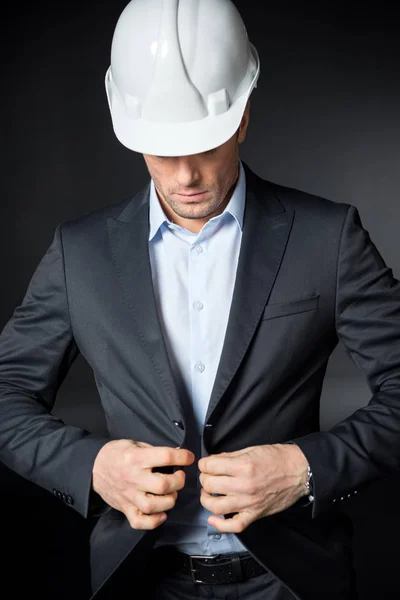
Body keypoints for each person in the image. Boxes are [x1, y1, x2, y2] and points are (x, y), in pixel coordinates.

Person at [0, 0, 399, 598]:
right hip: (139, 580)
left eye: (206, 145)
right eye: (162, 150)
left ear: (241, 118)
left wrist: (306, 469)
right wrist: (91, 467)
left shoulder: (328, 238)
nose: (186, 175)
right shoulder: (78, 252)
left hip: (290, 580)